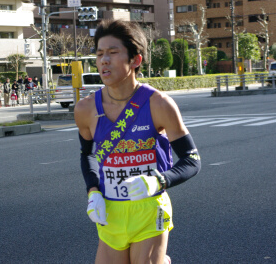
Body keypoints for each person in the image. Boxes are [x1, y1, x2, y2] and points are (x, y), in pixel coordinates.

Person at [74, 20, 201, 263]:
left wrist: (158, 181)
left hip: (149, 210)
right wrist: (92, 192)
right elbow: (87, 154)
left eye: (113, 52)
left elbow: (192, 160)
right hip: (110, 211)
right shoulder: (85, 108)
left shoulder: (159, 104)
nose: (104, 60)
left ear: (135, 60)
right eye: (100, 54)